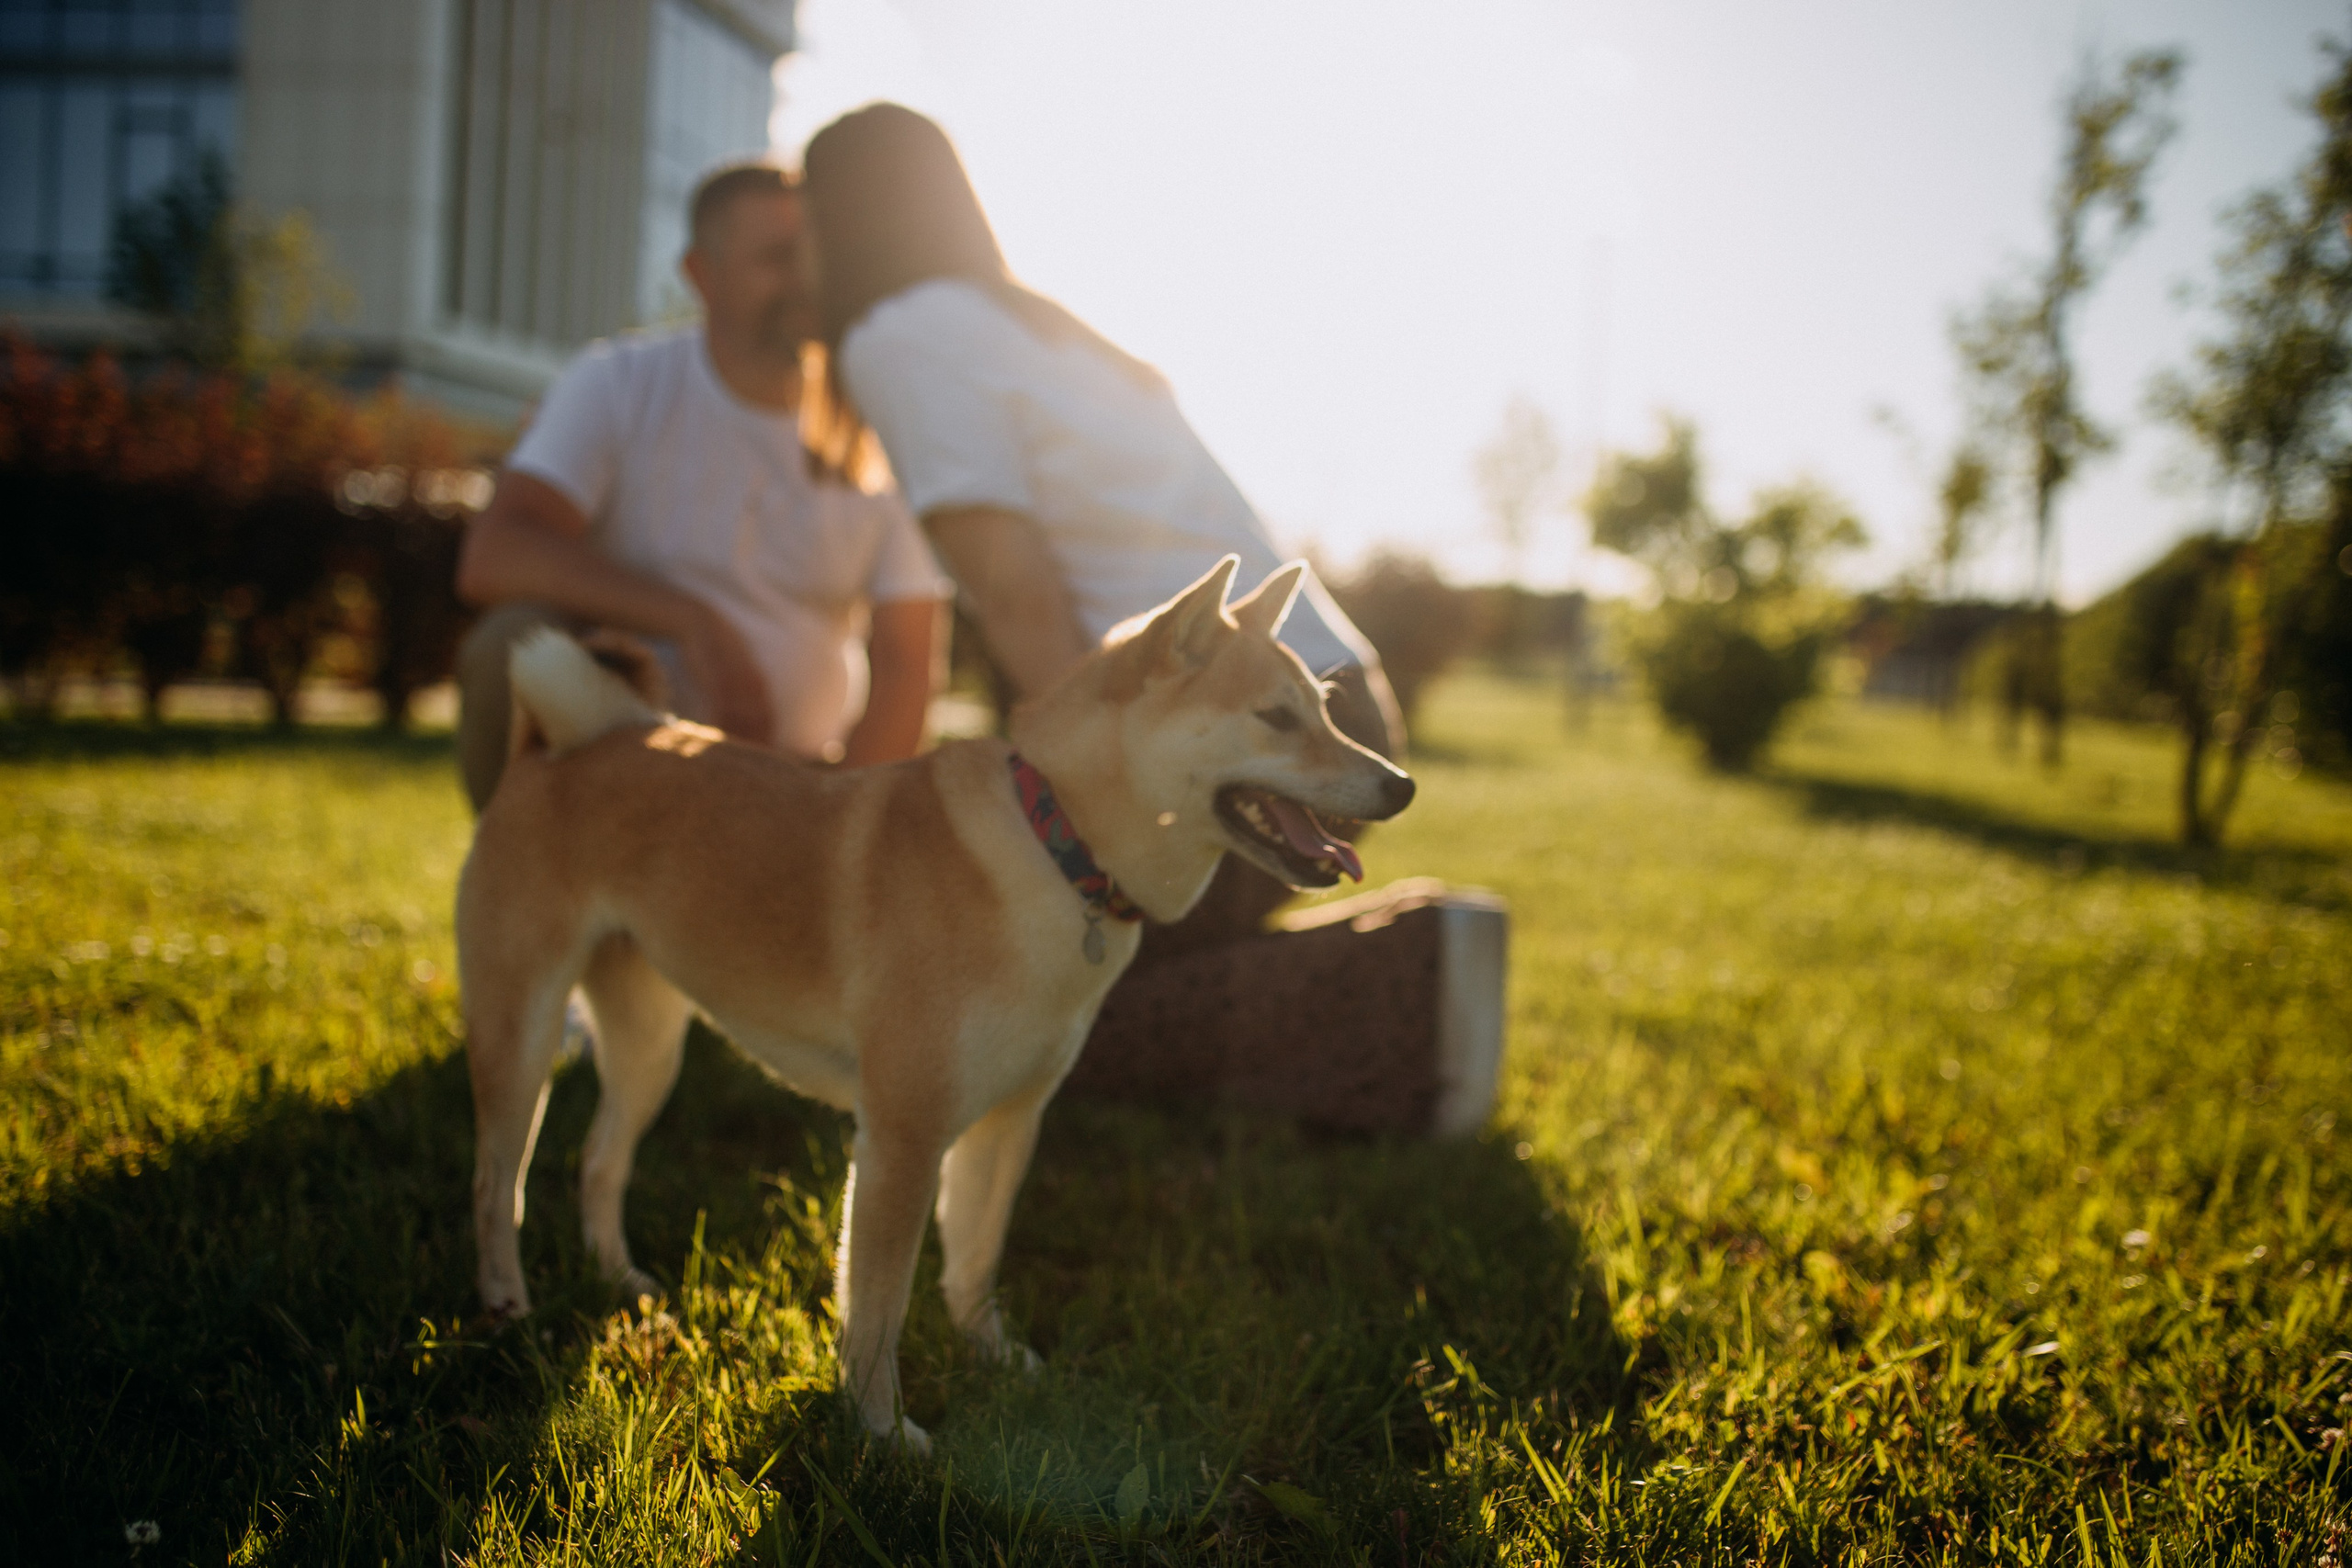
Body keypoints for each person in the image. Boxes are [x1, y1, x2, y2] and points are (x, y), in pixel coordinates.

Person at [797, 103, 1408, 959]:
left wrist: (1079, 818)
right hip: (1335, 700)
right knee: (1089, 965)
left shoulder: (900, 336)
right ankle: (1397, 966)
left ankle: (1399, 982)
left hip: (1242, 733)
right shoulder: (1041, 329)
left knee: (997, 989)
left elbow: (1020, 601)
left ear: (837, 219)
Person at [453, 162, 950, 812]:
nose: (805, 278)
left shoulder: (880, 420)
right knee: (510, 643)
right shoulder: (617, 384)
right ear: (700, 274)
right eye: (776, 257)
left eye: (814, 254)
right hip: (626, 768)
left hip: (801, 789)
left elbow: (907, 665)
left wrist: (838, 822)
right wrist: (695, 624)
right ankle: (529, 895)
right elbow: (497, 554)